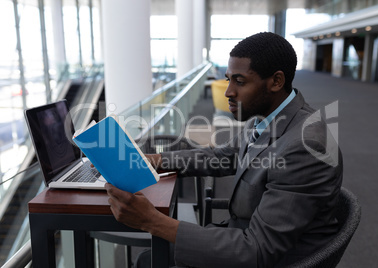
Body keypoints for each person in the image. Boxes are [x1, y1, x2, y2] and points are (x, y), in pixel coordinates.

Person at [105, 32, 343, 267]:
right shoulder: (266, 116)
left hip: (266, 257)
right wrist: (154, 160)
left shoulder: (305, 145)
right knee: (148, 259)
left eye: (239, 81)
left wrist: (152, 221)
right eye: (228, 79)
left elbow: (256, 251)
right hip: (246, 238)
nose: (228, 91)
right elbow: (221, 156)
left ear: (276, 81)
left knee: (150, 260)